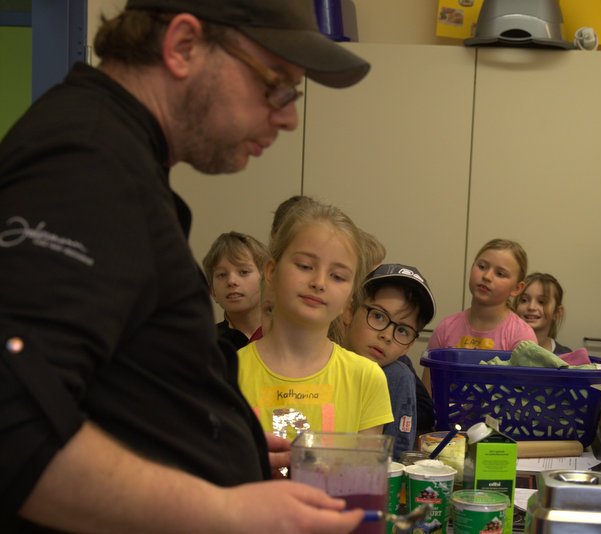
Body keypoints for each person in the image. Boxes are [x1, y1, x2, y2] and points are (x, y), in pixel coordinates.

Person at [0, 0, 371, 531]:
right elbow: (14, 424)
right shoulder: (83, 163)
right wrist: (225, 510)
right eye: (276, 85)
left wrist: (223, 447)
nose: (289, 116)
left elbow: (110, 397)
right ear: (183, 46)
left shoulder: (118, 157)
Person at [237, 199, 394, 441]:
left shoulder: (366, 378)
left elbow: (365, 465)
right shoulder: (229, 374)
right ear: (271, 271)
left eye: (338, 276)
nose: (319, 283)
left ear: (349, 298)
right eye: (305, 266)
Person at [342, 263, 436, 460]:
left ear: (408, 345)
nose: (386, 335)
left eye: (402, 330)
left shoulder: (396, 377)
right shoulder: (319, 359)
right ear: (349, 311)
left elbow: (393, 464)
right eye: (378, 316)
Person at [423, 239, 536, 391]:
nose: (487, 276)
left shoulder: (522, 336)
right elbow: (428, 390)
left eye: (500, 273)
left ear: (517, 288)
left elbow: (524, 396)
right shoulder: (446, 327)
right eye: (482, 266)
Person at [203, 231, 269, 350]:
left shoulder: (287, 334)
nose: (231, 281)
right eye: (222, 275)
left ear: (266, 280)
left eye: (243, 272)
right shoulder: (206, 345)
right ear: (212, 291)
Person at [513, 272, 571, 355]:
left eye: (541, 302)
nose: (531, 307)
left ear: (557, 312)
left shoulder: (566, 356)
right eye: (524, 300)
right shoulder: (503, 347)